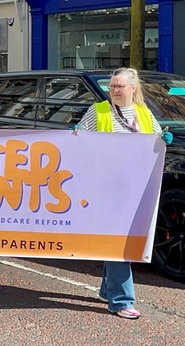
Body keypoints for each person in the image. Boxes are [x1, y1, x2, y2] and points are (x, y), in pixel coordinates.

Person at [73, 67, 173, 320]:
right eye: (112, 86)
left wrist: (164, 139)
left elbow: (157, 138)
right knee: (121, 243)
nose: (114, 90)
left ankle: (109, 290)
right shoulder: (98, 111)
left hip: (135, 188)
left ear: (133, 88)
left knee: (116, 241)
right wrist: (76, 134)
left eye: (119, 86)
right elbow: (78, 141)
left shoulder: (144, 113)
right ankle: (122, 300)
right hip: (106, 188)